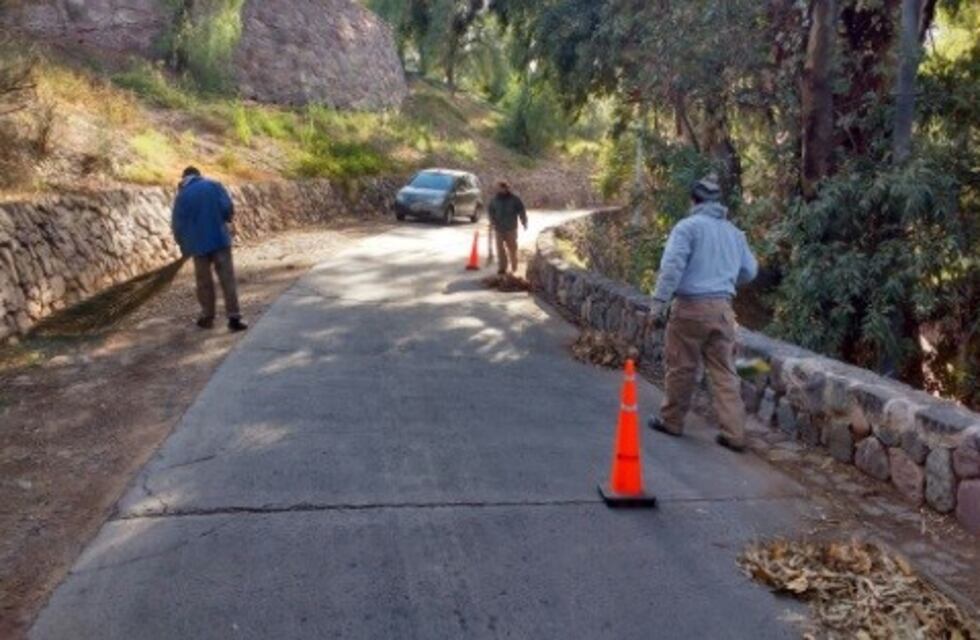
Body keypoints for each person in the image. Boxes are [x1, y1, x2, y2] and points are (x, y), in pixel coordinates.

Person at [646, 174, 758, 452]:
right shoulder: (734, 233)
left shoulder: (687, 228)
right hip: (722, 310)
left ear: (693, 200)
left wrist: (658, 303)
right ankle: (734, 433)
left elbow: (672, 268)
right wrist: (724, 280)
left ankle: (672, 421)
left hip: (689, 308)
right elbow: (750, 271)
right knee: (724, 372)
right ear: (717, 202)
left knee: (681, 366)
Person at [171, 166, 248, 332]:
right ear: (198, 175)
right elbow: (227, 208)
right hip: (220, 240)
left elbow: (177, 225)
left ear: (184, 178)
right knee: (227, 279)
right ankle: (234, 318)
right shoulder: (214, 185)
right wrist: (225, 219)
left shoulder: (182, 196)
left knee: (204, 282)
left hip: (198, 246)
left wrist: (183, 245)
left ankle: (208, 317)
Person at [488, 181, 528, 275]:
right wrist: (492, 221)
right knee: (500, 249)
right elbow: (490, 211)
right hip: (499, 228)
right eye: (497, 188)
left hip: (511, 228)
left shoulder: (514, 199)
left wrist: (524, 222)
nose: (498, 190)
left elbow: (521, 211)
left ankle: (514, 267)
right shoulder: (494, 199)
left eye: (500, 188)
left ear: (505, 188)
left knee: (512, 249)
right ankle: (502, 268)